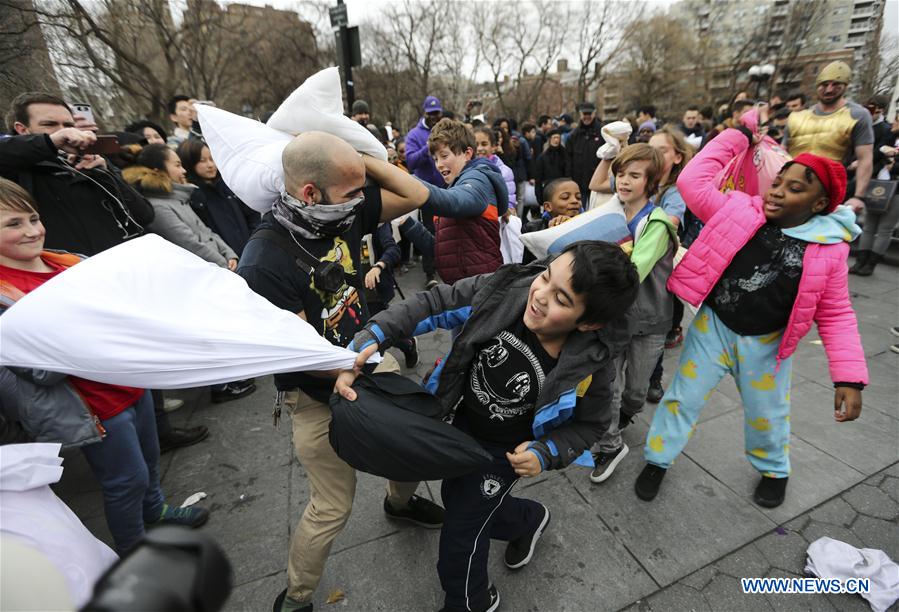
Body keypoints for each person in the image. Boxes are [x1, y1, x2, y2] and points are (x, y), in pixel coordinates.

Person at [337, 240, 639, 612]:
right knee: (458, 498)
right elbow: (436, 303)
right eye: (545, 277)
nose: (541, 295)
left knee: (461, 533)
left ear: (589, 322)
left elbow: (591, 426)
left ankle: (471, 601)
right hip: (461, 425)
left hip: (504, 455)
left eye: (562, 299)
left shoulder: (591, 366)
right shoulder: (504, 291)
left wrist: (546, 452)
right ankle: (528, 519)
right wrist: (378, 332)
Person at [235, 131, 443, 612]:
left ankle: (401, 504)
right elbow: (300, 355)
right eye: (351, 190)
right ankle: (298, 595)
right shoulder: (263, 262)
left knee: (409, 447)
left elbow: (415, 194)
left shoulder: (343, 208)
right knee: (331, 506)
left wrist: (364, 161)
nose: (361, 201)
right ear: (310, 193)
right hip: (316, 395)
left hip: (368, 358)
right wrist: (356, 373)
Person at [635, 122, 868, 509]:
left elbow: (837, 314)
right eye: (779, 181)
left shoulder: (831, 249)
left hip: (768, 345)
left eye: (796, 188)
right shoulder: (740, 209)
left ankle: (775, 469)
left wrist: (849, 377)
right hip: (713, 328)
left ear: (820, 204)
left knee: (767, 414)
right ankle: (658, 458)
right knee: (681, 399)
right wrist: (738, 137)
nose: (778, 190)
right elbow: (694, 181)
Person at [0, 178, 210, 554]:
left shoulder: (67, 261)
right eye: (12, 224)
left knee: (148, 461)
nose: (32, 231)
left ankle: (155, 510)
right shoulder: (4, 294)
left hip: (130, 385)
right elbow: (35, 367)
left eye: (33, 218)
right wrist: (88, 333)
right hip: (93, 408)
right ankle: (134, 550)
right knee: (125, 480)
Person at [586, 144, 677, 483]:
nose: (624, 181)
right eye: (621, 173)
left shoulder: (656, 222)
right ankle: (610, 444)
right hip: (614, 318)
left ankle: (624, 415)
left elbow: (633, 270)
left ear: (651, 182)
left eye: (634, 175)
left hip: (650, 322)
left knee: (635, 393)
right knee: (607, 385)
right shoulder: (609, 212)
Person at [1, 93, 155, 255]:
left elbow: (144, 215)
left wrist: (107, 174)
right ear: (22, 130)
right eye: (49, 124)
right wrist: (50, 142)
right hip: (66, 272)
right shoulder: (13, 169)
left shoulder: (90, 162)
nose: (64, 131)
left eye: (68, 125)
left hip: (120, 264)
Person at [426, 119, 509, 286]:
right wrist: (408, 225)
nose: (439, 165)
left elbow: (456, 202)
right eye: (435, 159)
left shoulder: (478, 179)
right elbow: (442, 246)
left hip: (481, 289)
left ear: (467, 153)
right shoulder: (452, 187)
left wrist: (411, 186)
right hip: (460, 290)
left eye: (444, 156)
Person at [784, 61, 873, 213]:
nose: (829, 89)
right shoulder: (796, 117)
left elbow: (865, 158)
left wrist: (859, 196)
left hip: (828, 191)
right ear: (817, 85)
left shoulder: (858, 115)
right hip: (790, 187)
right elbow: (781, 152)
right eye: (824, 84)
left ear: (845, 86)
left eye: (836, 84)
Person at [177, 139, 260, 256]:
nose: (210, 165)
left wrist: (254, 242)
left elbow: (252, 215)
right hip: (227, 259)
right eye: (202, 160)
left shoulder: (226, 184)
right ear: (189, 163)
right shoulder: (192, 196)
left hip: (250, 251)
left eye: (212, 159)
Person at [851, 99, 898, 277]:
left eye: (897, 120)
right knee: (869, 225)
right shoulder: (890, 136)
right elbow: (874, 156)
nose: (893, 121)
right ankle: (860, 261)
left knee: (885, 228)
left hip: (895, 190)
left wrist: (894, 165)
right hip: (877, 184)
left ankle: (871, 263)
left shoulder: (887, 131)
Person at [405, 95, 445, 287]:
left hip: (448, 189)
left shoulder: (446, 130)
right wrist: (427, 148)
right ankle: (430, 274)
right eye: (430, 114)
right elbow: (410, 162)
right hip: (426, 192)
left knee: (447, 231)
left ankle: (446, 267)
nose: (434, 117)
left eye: (436, 113)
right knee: (429, 232)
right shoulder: (414, 134)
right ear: (425, 113)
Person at [522, 176, 581, 242]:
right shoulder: (532, 229)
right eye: (565, 197)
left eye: (578, 197)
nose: (574, 201)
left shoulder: (584, 227)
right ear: (548, 207)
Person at [565, 102, 603, 204]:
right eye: (584, 114)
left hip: (597, 181)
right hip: (578, 182)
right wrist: (569, 179)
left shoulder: (602, 133)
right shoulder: (573, 136)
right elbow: (568, 159)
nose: (587, 117)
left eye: (589, 114)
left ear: (594, 114)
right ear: (580, 114)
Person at [473, 126, 516, 211]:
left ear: (493, 147)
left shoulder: (504, 171)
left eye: (484, 144)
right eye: (476, 145)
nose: (479, 148)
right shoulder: (465, 169)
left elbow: (509, 201)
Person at [533, 129, 567, 204]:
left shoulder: (565, 154)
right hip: (548, 188)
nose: (556, 140)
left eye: (558, 138)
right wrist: (539, 195)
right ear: (550, 139)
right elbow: (538, 177)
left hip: (563, 187)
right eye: (554, 137)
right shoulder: (543, 157)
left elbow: (568, 171)